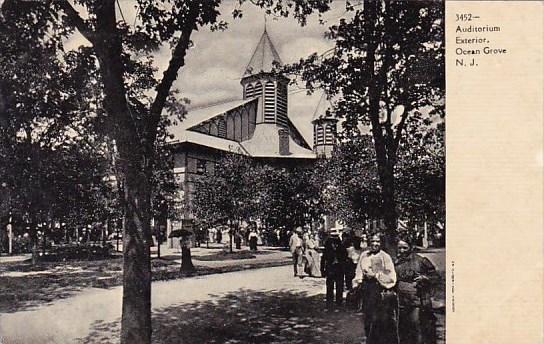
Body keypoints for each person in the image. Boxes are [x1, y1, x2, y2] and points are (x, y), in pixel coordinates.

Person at [353, 233, 398, 344]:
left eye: (377, 241)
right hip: (367, 291)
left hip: (380, 291)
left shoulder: (385, 257)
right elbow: (358, 272)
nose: (375, 244)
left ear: (381, 243)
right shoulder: (364, 255)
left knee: (380, 321)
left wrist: (376, 276)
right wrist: (357, 283)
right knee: (368, 319)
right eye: (372, 241)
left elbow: (391, 278)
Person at [395, 235, 438, 344]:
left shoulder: (421, 260)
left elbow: (435, 276)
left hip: (417, 301)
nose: (402, 250)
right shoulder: (396, 262)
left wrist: (425, 278)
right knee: (403, 330)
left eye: (405, 247)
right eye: (400, 247)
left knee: (416, 328)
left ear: (411, 247)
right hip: (401, 302)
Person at [321, 229, 348, 309]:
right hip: (330, 268)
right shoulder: (328, 245)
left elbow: (345, 256)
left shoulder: (341, 245)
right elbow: (324, 258)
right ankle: (329, 302)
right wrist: (322, 270)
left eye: (336, 236)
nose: (334, 238)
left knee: (339, 285)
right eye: (333, 236)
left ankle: (339, 302)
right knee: (330, 286)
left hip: (339, 268)